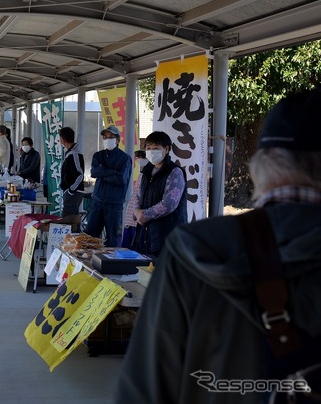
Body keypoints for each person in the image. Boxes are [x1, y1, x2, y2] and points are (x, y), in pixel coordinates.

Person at [115, 88, 321, 404]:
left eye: (154, 148)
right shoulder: (149, 175)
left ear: (260, 166)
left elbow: (143, 389)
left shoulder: (194, 249)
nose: (150, 152)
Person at [132, 131, 187, 256]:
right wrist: (136, 211)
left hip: (167, 235)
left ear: (166, 149)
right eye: (148, 148)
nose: (151, 151)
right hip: (145, 233)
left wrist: (144, 214)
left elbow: (169, 203)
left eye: (156, 148)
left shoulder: (175, 172)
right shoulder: (146, 171)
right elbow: (136, 195)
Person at [85, 125, 132, 247]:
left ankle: (109, 264)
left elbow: (122, 179)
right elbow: (94, 173)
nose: (107, 139)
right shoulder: (98, 155)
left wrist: (103, 172)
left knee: (111, 238)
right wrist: (113, 171)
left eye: (111, 137)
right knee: (90, 237)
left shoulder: (125, 158)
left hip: (114, 203)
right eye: (105, 137)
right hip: (97, 201)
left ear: (117, 140)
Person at [121, 150, 147, 248]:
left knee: (135, 251)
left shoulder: (150, 175)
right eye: (139, 159)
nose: (140, 161)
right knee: (127, 250)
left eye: (143, 159)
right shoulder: (142, 174)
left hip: (138, 219)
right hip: (131, 218)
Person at [59, 126, 85, 217]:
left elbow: (80, 174)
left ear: (62, 139)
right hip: (70, 191)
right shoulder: (69, 153)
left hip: (74, 193)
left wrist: (71, 190)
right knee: (69, 219)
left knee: (68, 220)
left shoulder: (74, 154)